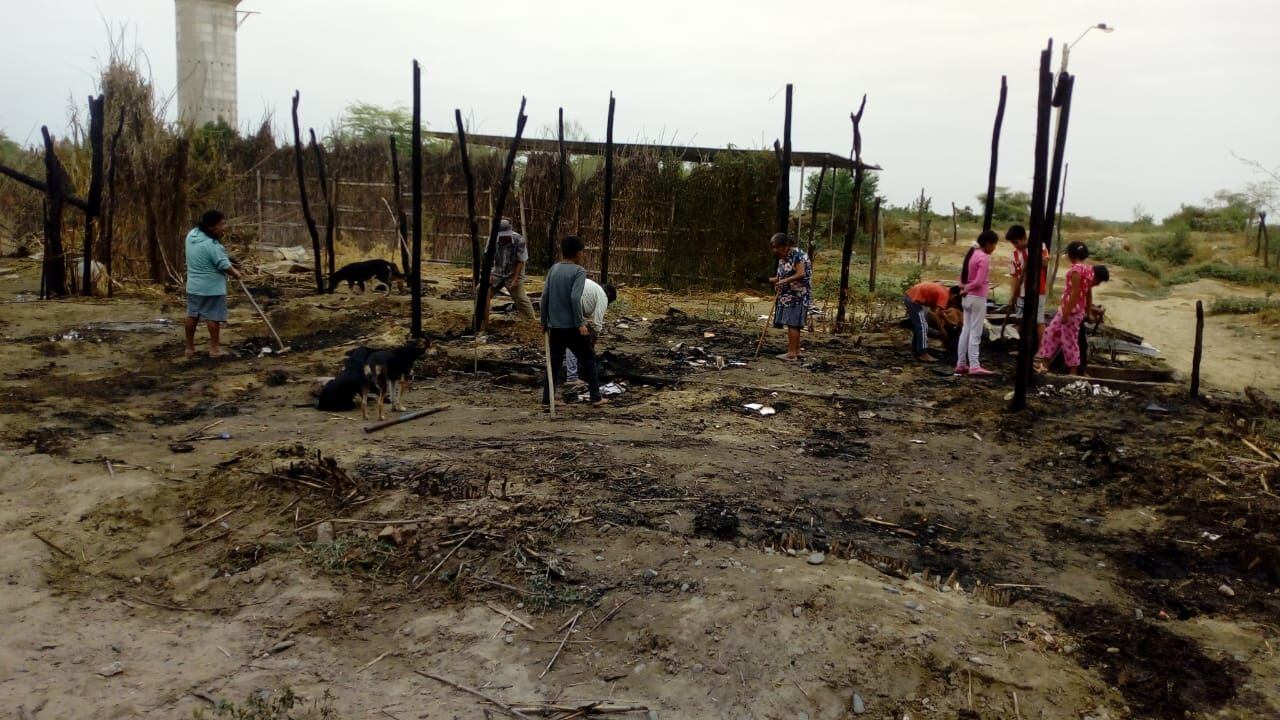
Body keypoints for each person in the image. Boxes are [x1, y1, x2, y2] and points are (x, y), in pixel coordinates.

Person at [541, 235, 604, 407]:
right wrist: (580, 323)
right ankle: (596, 397)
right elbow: (576, 298)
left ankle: (548, 399)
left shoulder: (553, 269)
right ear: (578, 253)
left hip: (555, 326)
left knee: (553, 363)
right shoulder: (579, 272)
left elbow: (544, 296)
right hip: (571, 327)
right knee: (589, 358)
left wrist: (544, 321)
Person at [1035, 243, 1108, 375]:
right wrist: (1088, 311)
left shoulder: (1076, 270)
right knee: (1050, 333)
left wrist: (1067, 313)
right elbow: (1088, 293)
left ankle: (1073, 372)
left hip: (1071, 312)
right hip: (1067, 309)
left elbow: (1075, 293)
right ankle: (1044, 365)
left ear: (1070, 255)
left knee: (1069, 341)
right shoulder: (1087, 270)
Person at [183, 209, 240, 358]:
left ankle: (189, 348)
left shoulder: (192, 235)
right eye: (220, 224)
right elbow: (223, 265)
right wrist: (236, 273)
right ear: (210, 226)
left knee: (192, 315)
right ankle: (214, 349)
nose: (223, 227)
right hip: (211, 288)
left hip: (193, 286)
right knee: (213, 317)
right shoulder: (212, 245)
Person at [956, 230, 999, 376]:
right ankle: (974, 365)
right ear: (988, 243)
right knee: (976, 332)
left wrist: (963, 288)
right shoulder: (984, 257)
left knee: (966, 330)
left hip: (967, 299)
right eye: (994, 245)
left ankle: (961, 363)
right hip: (977, 298)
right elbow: (979, 282)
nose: (994, 248)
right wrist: (967, 288)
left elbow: (962, 276)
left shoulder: (971, 254)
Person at [767, 233, 811, 361]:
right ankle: (796, 351)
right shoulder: (783, 258)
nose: (775, 250)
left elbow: (801, 273)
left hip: (798, 294)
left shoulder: (796, 254)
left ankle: (791, 353)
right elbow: (781, 276)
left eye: (777, 247)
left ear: (785, 246)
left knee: (793, 323)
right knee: (793, 324)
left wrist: (784, 281)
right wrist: (773, 281)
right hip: (788, 294)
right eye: (773, 247)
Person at [565, 279, 617, 386]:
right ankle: (572, 376)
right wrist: (592, 344)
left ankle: (560, 372)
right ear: (609, 297)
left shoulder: (592, 288)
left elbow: (582, 310)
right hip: (570, 306)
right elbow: (597, 323)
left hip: (561, 303)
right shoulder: (603, 296)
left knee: (562, 341)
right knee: (573, 341)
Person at [485, 218, 535, 326]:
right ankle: (481, 320)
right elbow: (487, 258)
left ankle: (531, 322)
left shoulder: (519, 240)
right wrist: (488, 274)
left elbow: (520, 261)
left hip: (514, 272)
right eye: (502, 236)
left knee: (520, 298)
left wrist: (515, 279)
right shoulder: (492, 240)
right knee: (482, 292)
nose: (504, 238)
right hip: (497, 272)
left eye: (506, 236)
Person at [1007, 224, 1049, 342]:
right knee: (1021, 319)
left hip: (1038, 291)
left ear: (1024, 237)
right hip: (1021, 293)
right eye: (1013, 243)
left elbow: (1045, 263)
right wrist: (1013, 295)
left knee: (1039, 321)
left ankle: (1042, 350)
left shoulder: (1040, 246)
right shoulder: (1014, 255)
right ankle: (1022, 345)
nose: (1016, 245)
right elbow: (1014, 277)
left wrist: (1036, 255)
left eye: (1016, 242)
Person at [903, 281, 961, 362]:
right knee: (923, 326)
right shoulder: (944, 295)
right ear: (954, 297)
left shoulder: (944, 291)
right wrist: (942, 330)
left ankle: (916, 349)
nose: (951, 304)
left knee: (920, 325)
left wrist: (947, 322)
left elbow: (938, 312)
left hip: (911, 296)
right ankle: (923, 353)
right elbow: (934, 314)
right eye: (954, 303)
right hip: (913, 299)